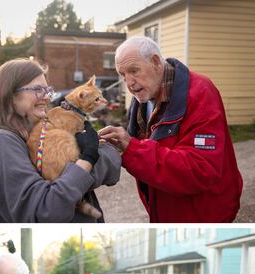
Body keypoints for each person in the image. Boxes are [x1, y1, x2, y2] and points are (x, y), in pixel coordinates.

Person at [98, 36, 242, 222]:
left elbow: (201, 169)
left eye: (134, 71)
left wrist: (132, 148)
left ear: (156, 62)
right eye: (123, 75)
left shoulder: (200, 92)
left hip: (203, 215)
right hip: (165, 210)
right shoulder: (142, 97)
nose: (129, 83)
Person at [0, 58, 121, 223]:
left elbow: (110, 164)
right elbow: (47, 209)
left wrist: (75, 170)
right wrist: (88, 159)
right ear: (10, 95)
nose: (47, 97)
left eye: (47, 90)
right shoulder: (1, 142)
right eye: (37, 89)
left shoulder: (40, 127)